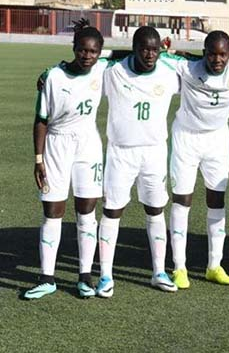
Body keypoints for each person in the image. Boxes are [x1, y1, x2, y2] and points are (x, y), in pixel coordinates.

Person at [161, 31, 229, 288]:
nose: (217, 59)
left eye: (223, 54)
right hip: (186, 138)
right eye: (212, 53)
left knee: (216, 200)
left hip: (217, 140)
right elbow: (154, 54)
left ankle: (214, 265)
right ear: (204, 52)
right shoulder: (187, 68)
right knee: (182, 200)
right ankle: (179, 267)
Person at [24, 23, 109, 300]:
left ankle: (85, 277)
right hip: (56, 145)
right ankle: (47, 278)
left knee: (87, 212)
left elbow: (127, 55)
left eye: (93, 51)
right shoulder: (53, 76)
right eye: (83, 50)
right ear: (74, 49)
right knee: (53, 211)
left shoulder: (101, 67)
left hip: (88, 144)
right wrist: (39, 159)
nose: (88, 56)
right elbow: (41, 120)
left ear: (99, 53)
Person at [96, 26, 181, 297]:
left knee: (155, 210)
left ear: (160, 49)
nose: (149, 54)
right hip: (121, 153)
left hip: (154, 152)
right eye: (144, 48)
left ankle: (159, 271)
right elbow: (88, 58)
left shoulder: (169, 74)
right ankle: (105, 276)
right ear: (134, 48)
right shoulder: (114, 70)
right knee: (112, 211)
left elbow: (201, 66)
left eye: (154, 49)